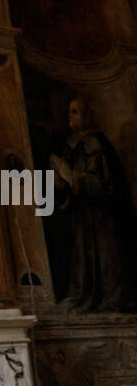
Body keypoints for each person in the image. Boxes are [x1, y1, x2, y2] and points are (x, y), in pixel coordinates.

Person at [50, 96, 137, 313]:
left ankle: (112, 298)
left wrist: (73, 178)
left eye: (76, 111)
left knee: (106, 259)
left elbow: (103, 184)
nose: (71, 116)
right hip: (83, 215)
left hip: (102, 216)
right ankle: (86, 295)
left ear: (87, 115)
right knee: (83, 259)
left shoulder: (94, 143)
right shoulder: (73, 145)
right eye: (70, 111)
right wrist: (61, 184)